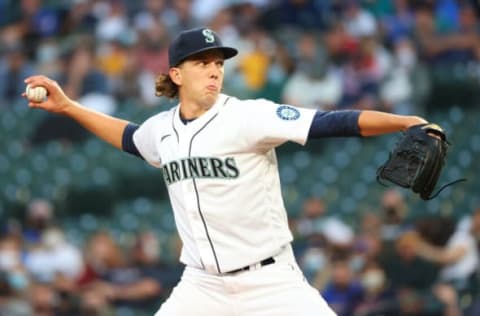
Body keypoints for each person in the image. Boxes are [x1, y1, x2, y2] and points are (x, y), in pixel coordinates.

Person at [24, 27, 429, 316]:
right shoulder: (161, 130)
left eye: (218, 63)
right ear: (177, 75)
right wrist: (68, 106)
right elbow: (130, 138)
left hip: (271, 282)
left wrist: (404, 121)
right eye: (203, 63)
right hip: (202, 285)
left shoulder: (249, 116)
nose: (215, 70)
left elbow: (331, 121)